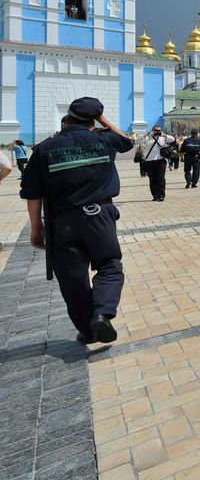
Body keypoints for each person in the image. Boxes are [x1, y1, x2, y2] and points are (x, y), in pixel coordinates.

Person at [19, 98, 135, 345]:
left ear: (67, 118)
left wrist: (36, 229)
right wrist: (102, 119)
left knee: (72, 278)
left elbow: (32, 193)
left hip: (63, 222)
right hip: (99, 216)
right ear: (93, 121)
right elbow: (127, 141)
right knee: (109, 265)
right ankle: (102, 314)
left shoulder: (44, 149)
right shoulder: (104, 140)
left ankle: (88, 329)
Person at [137, 126, 171, 202]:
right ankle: (155, 195)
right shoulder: (147, 138)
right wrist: (147, 134)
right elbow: (137, 140)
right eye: (156, 130)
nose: (157, 131)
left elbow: (172, 139)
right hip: (149, 161)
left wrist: (163, 135)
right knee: (152, 179)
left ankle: (161, 195)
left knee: (161, 178)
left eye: (159, 130)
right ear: (152, 130)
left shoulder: (163, 138)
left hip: (160, 160)